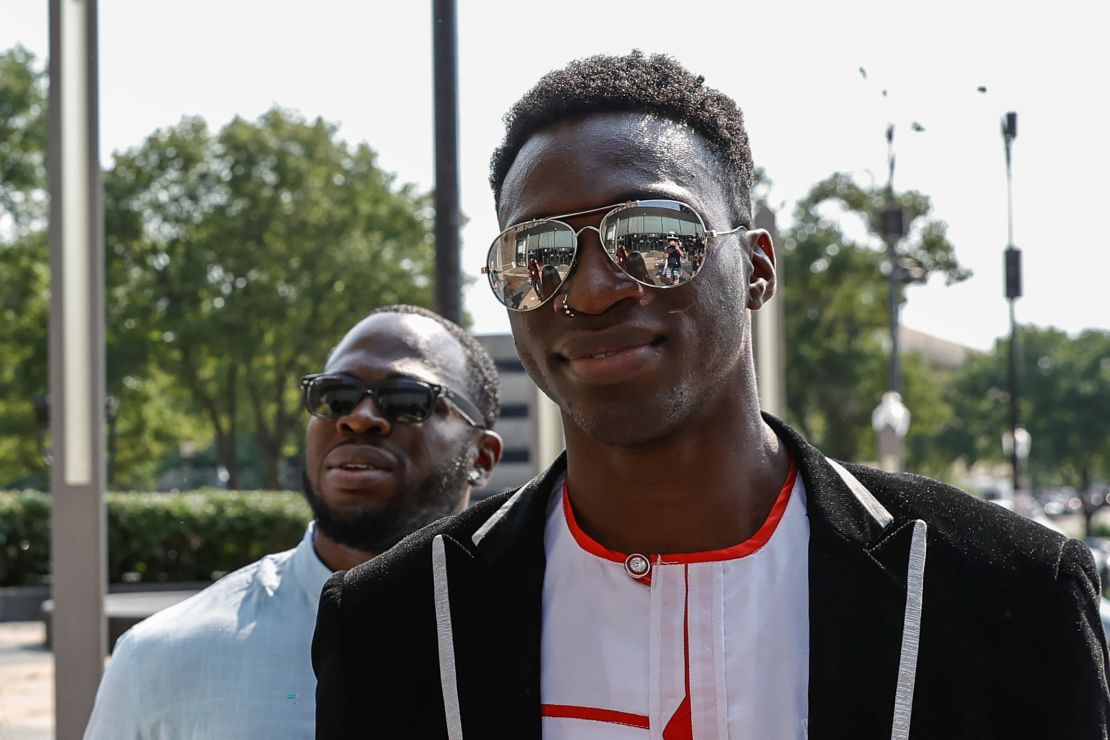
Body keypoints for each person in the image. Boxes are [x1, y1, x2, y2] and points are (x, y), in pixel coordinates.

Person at [313, 53, 1110, 739]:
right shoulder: (396, 619)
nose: (590, 290)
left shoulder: (1007, 593)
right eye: (538, 253)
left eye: (654, 236)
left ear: (757, 265)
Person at [84, 305, 503, 739]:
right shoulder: (161, 658)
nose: (358, 418)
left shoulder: (545, 637)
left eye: (406, 399)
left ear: (482, 456)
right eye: (336, 395)